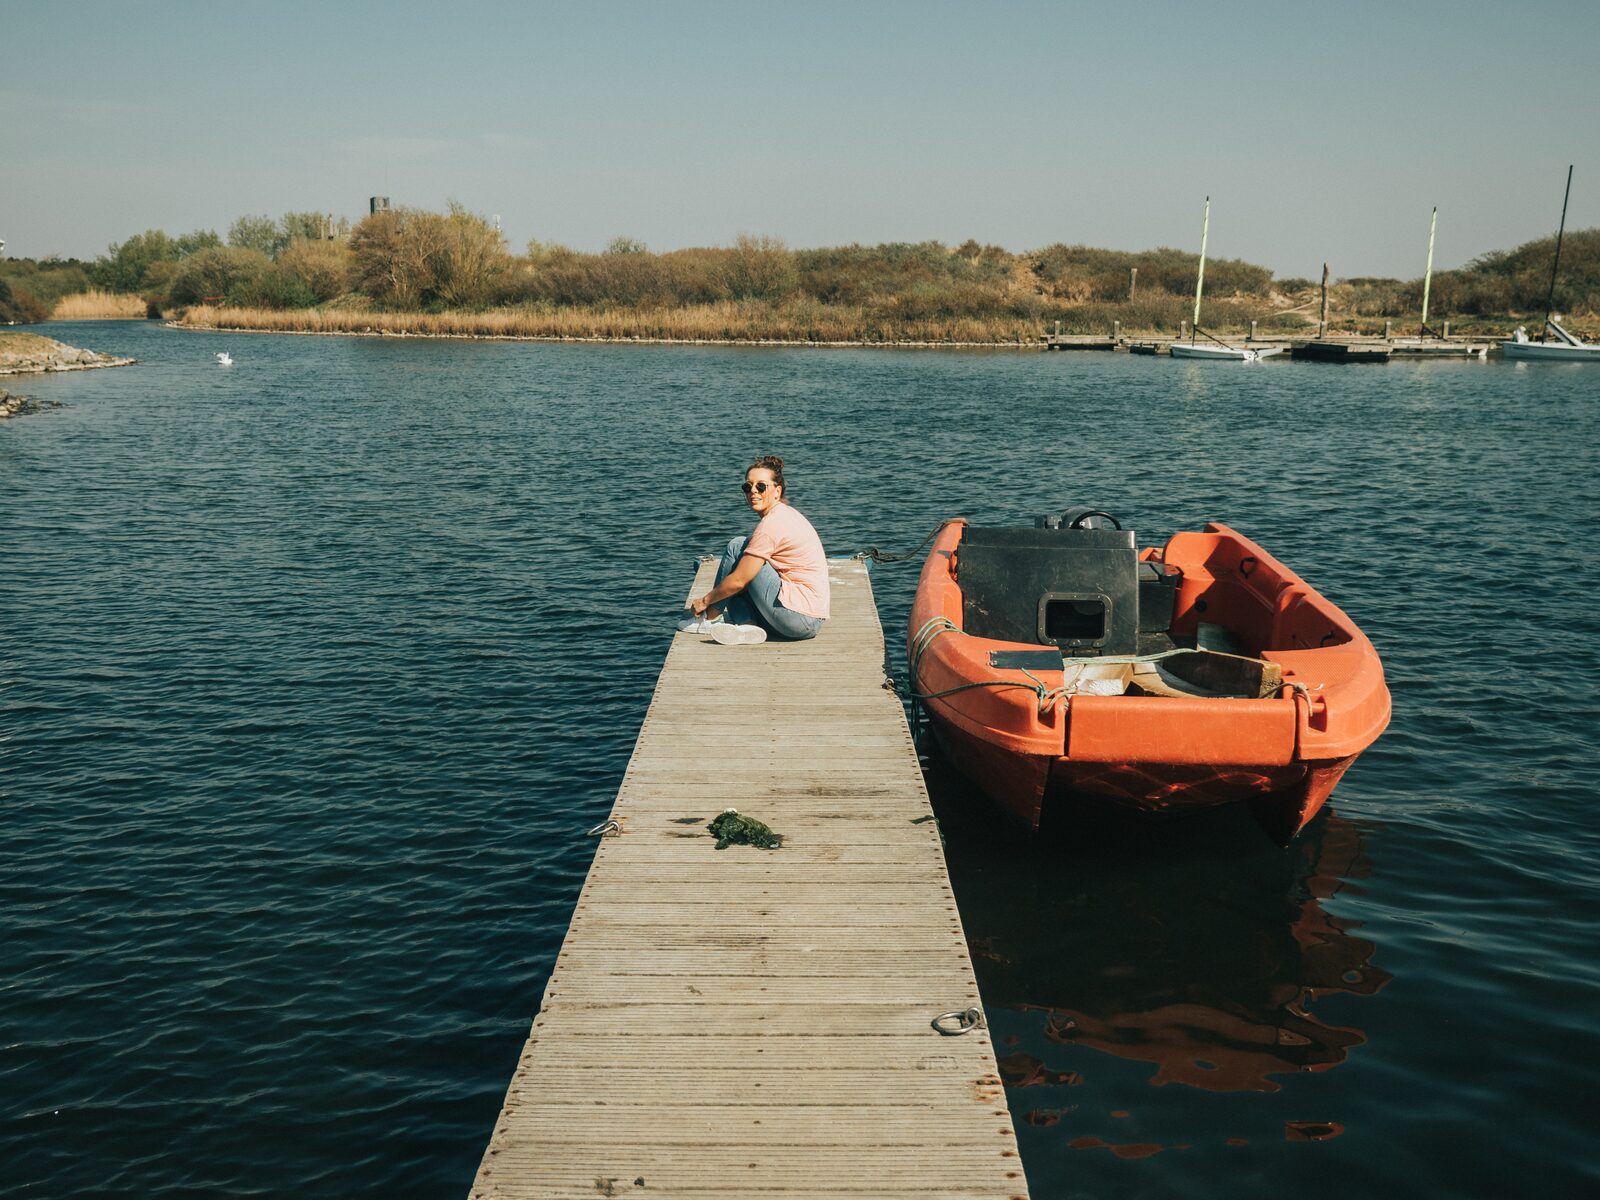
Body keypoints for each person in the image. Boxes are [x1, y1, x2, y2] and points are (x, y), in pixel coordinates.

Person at [681, 455, 829, 645]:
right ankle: (748, 626)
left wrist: (705, 601)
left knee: (737, 547)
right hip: (808, 621)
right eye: (747, 486)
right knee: (731, 594)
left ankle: (710, 618)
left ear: (777, 491)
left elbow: (738, 581)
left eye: (761, 486)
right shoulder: (786, 514)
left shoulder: (772, 525)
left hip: (798, 618)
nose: (753, 491)